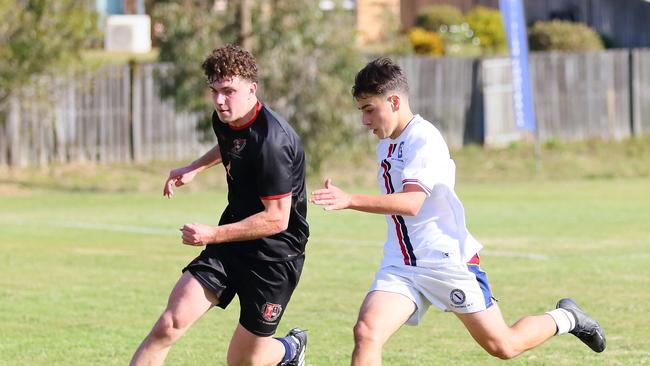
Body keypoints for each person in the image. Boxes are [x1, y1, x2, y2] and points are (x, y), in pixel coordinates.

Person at [310, 57, 606, 365]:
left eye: (369, 109)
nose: (365, 121)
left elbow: (411, 204)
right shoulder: (386, 144)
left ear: (394, 101)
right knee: (367, 332)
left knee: (503, 346)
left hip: (446, 261)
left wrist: (349, 200)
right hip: (401, 265)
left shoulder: (423, 139)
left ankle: (567, 317)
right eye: (362, 112)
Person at [130, 44, 308, 366]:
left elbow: (277, 220)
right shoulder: (225, 118)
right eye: (214, 91)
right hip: (230, 244)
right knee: (167, 326)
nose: (220, 101)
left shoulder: (273, 142)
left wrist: (211, 234)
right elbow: (229, 144)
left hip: (274, 257)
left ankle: (291, 349)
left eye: (229, 91)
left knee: (242, 361)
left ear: (252, 89)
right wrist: (193, 168)